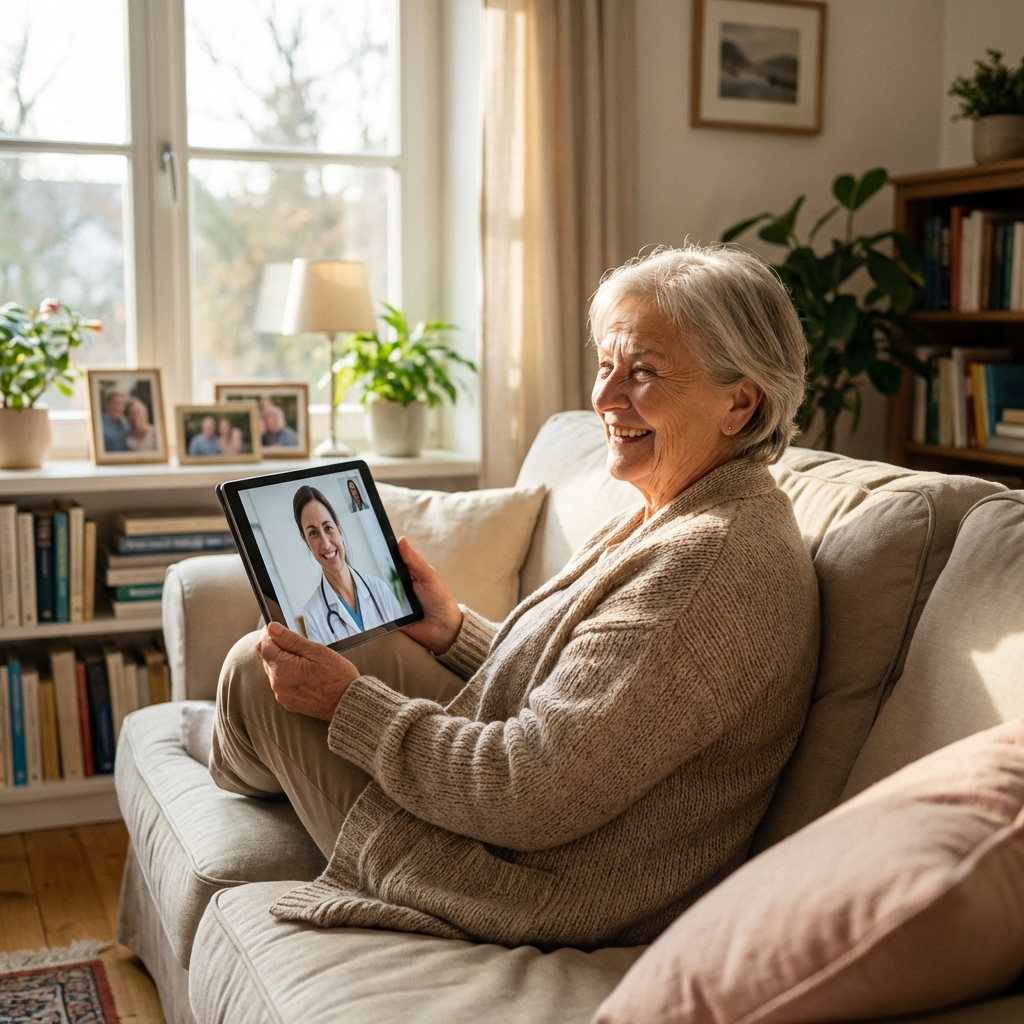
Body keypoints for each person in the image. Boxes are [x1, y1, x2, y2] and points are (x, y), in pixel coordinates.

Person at [210, 244, 820, 950]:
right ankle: (243, 756)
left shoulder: (707, 559)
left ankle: (233, 757)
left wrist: (349, 704)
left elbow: (529, 788)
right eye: (605, 365)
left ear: (739, 402)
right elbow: (590, 700)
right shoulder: (683, 508)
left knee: (252, 675)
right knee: (341, 644)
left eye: (644, 372)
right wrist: (454, 633)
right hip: (543, 834)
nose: (605, 398)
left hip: (535, 880)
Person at [294, 486, 406, 644]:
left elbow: (407, 642)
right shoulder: (312, 614)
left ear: (339, 529)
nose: (326, 544)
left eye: (328, 528)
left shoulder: (379, 588)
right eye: (313, 533)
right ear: (305, 541)